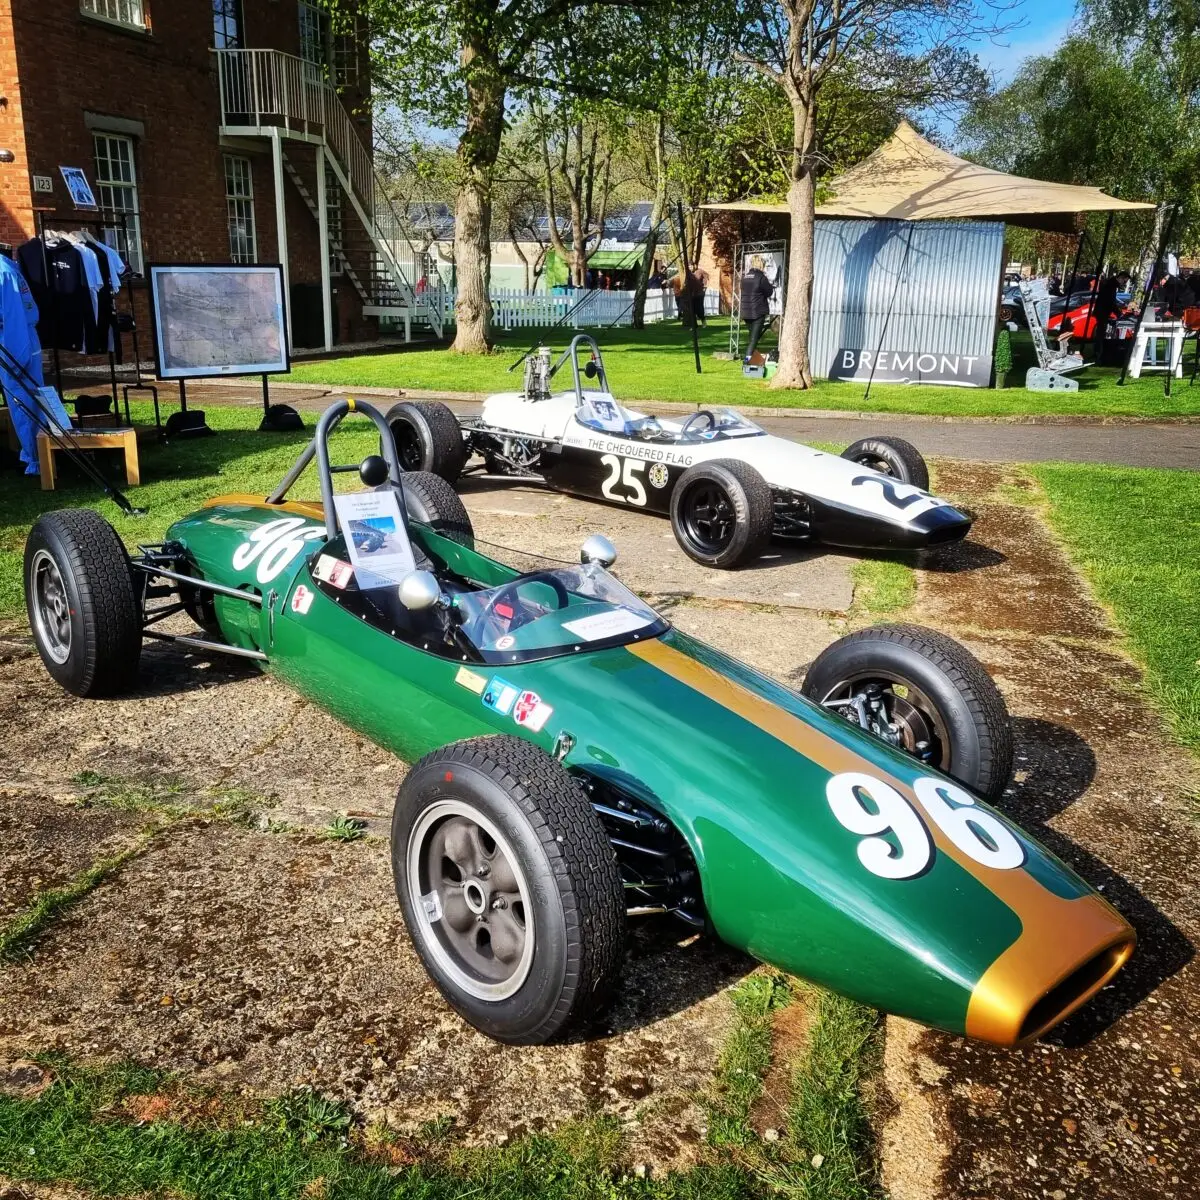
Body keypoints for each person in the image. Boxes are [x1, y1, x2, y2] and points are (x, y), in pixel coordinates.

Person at [740, 255, 775, 359]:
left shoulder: (745, 277)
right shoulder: (761, 278)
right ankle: (747, 360)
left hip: (745, 311)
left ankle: (754, 358)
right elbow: (769, 292)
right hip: (757, 311)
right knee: (754, 339)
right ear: (761, 265)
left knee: (752, 337)